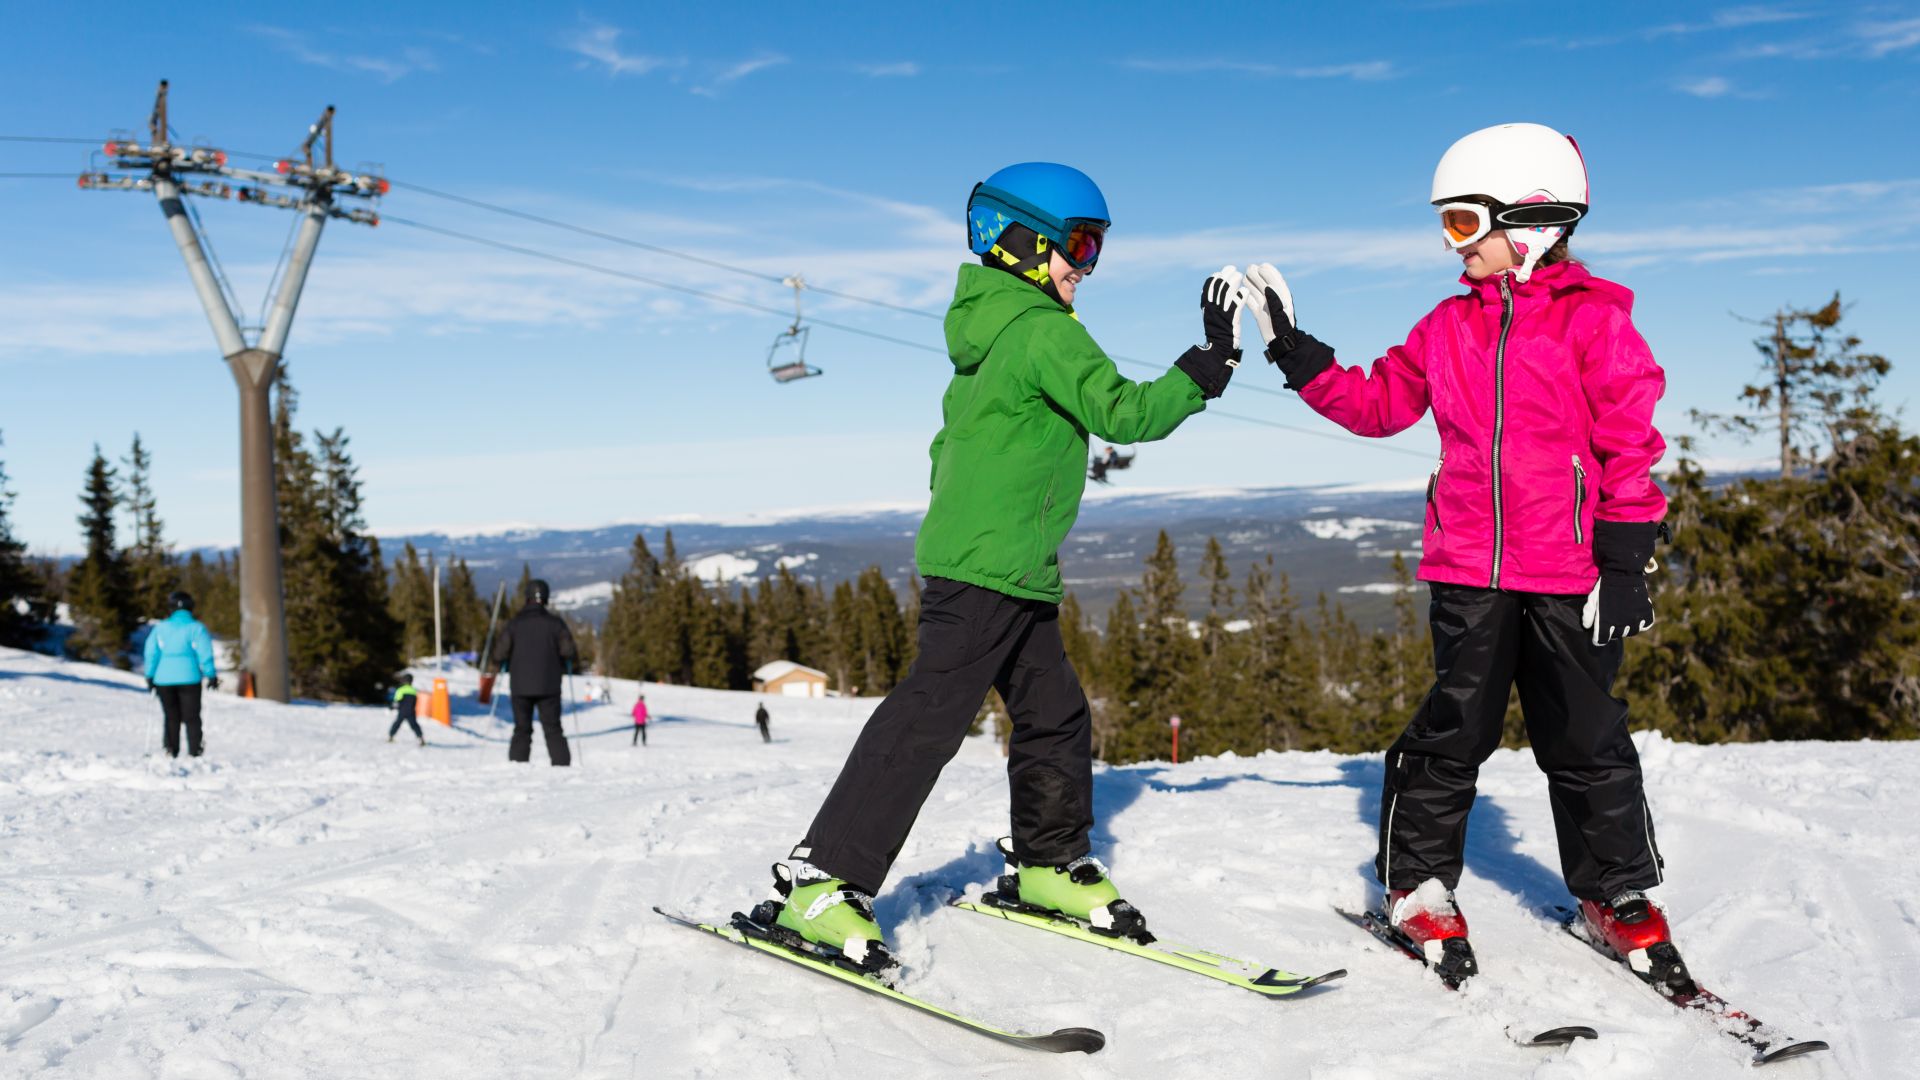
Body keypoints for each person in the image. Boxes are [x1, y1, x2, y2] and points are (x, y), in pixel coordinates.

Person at [755, 161, 1247, 975]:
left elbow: (969, 443)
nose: (1086, 267)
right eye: (1078, 246)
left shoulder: (991, 326)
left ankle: (1048, 864)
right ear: (1018, 242)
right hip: (988, 567)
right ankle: (824, 881)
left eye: (1095, 251)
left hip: (1007, 565)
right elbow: (1122, 412)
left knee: (1055, 714)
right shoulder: (1041, 328)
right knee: (926, 721)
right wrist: (1210, 363)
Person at [1243, 123, 1677, 988]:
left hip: (1571, 572)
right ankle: (1418, 885)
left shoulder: (1596, 323)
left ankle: (1617, 892)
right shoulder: (1446, 327)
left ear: (1533, 223)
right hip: (1468, 570)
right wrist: (1298, 355)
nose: (1453, 245)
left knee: (1589, 738)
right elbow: (1377, 405)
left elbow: (1631, 440)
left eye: (1460, 223)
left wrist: (1626, 558)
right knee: (1454, 732)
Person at [491, 578, 577, 766]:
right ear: (545, 598)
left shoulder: (514, 624)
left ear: (527, 597)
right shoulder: (556, 624)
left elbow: (498, 654)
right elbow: (569, 652)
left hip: (521, 686)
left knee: (522, 729)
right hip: (550, 685)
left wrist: (504, 661)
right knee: (553, 728)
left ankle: (518, 767)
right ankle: (562, 767)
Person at [143, 590, 218, 758]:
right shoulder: (196, 628)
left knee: (171, 716)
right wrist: (210, 674)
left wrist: (150, 675)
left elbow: (151, 653)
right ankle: (195, 751)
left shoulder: (161, 628)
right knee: (192, 716)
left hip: (163, 678)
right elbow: (205, 653)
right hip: (190, 678)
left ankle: (170, 750)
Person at [390, 672, 426, 746]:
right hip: (411, 711)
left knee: (397, 724)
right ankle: (420, 738)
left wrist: (392, 707)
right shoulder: (414, 690)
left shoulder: (400, 690)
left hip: (402, 711)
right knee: (414, 725)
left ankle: (391, 736)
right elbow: (415, 702)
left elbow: (396, 701)